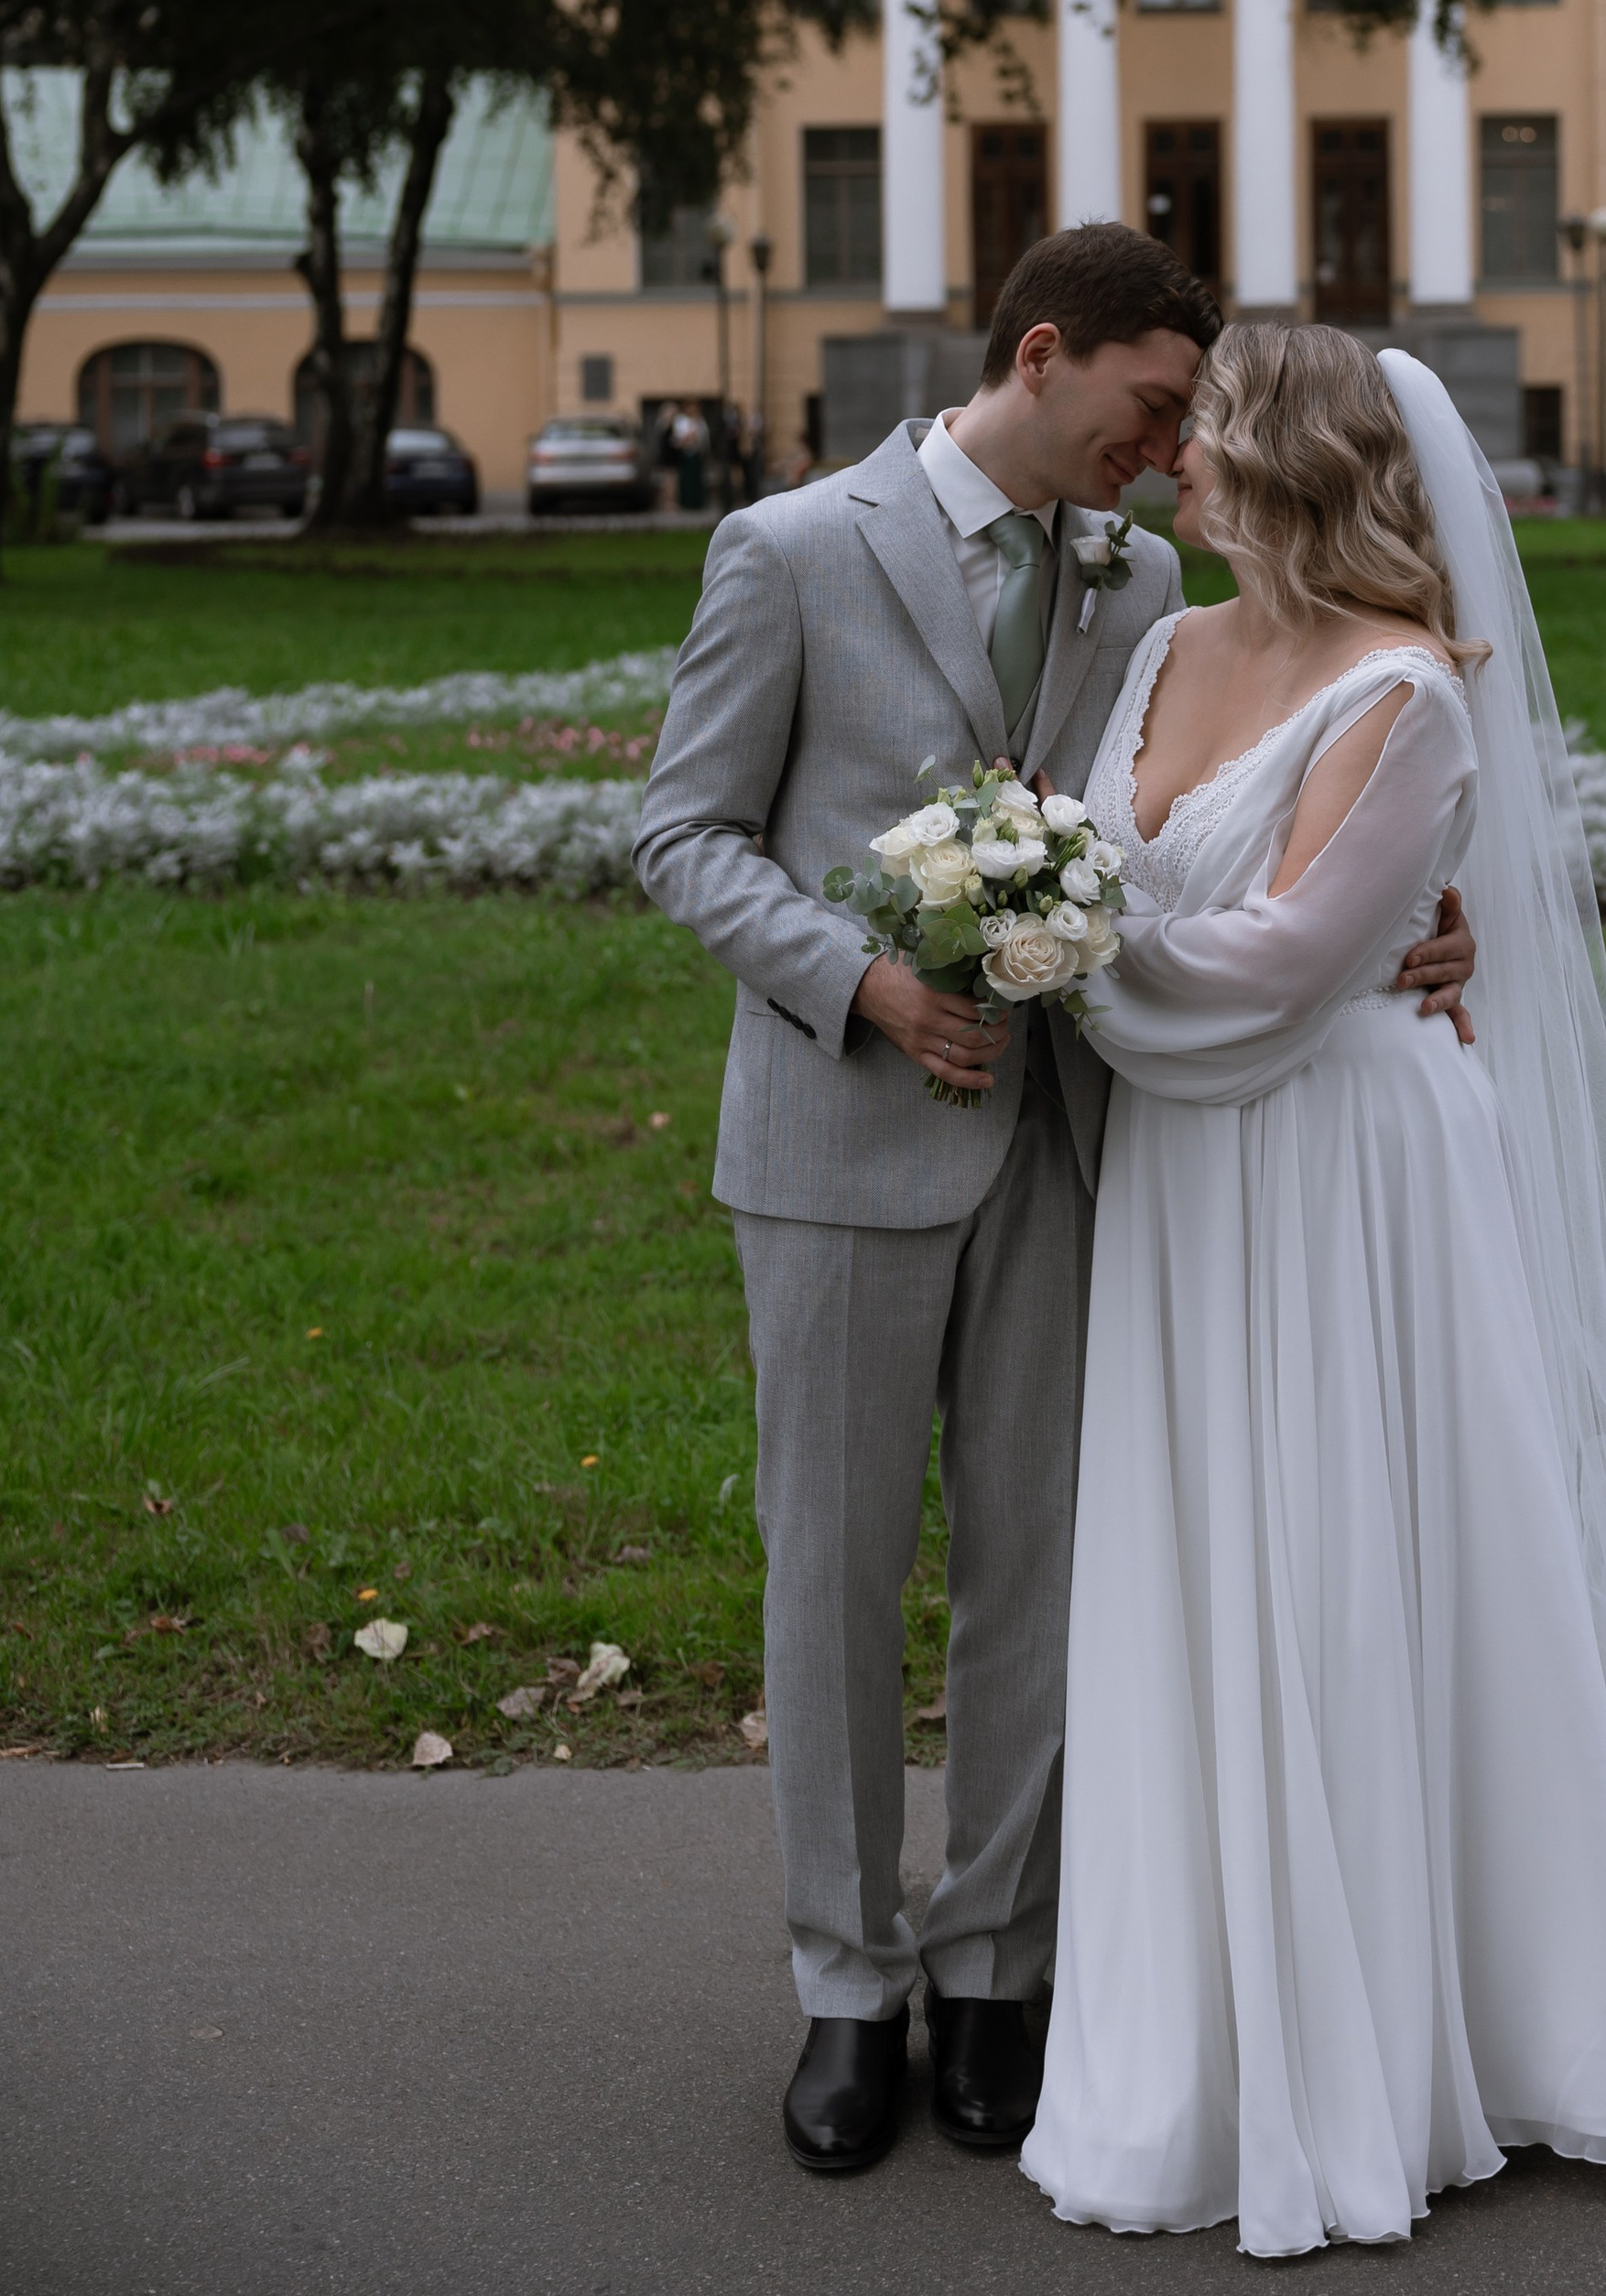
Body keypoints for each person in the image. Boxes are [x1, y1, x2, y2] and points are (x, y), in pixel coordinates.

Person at [632, 231, 1478, 2178]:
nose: (1173, 454)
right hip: (841, 1141)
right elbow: (679, 831)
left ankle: (994, 1971)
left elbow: (1221, 812)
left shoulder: (1149, 578)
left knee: (1044, 1571)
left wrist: (1408, 932)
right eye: (1152, 409)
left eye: (1191, 422)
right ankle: (846, 1989)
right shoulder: (790, 549)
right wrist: (859, 980)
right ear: (1042, 355)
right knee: (833, 1577)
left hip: (1083, 1140)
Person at [1022, 324, 1606, 2258]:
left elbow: (1277, 962)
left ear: (1288, 470)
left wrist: (1040, 947)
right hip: (1184, 1174)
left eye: (1205, 444)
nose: (1170, 468)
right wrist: (1040, 918)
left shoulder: (1411, 693)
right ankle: (1209, 2033)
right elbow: (1122, 876)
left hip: (1343, 1165)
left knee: (1354, 1560)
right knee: (1201, 1564)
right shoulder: (1164, 645)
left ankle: (1428, 2032)